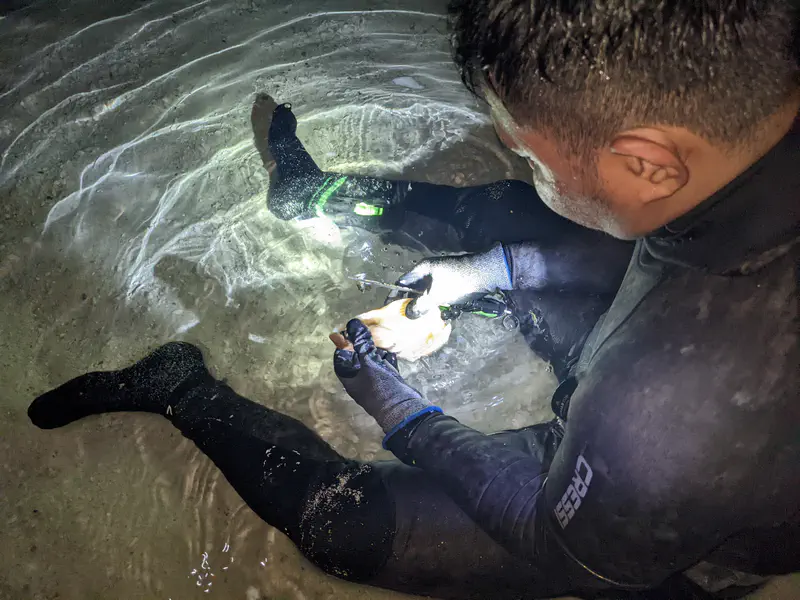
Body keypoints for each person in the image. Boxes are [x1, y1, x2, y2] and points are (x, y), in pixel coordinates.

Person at [29, 1, 799, 599]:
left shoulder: (671, 413)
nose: (515, 157)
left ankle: (180, 389)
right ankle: (310, 193)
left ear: (650, 162)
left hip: (642, 528)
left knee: (343, 526)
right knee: (517, 213)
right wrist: (493, 269)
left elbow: (559, 537)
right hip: (696, 366)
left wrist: (402, 412)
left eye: (526, 150)